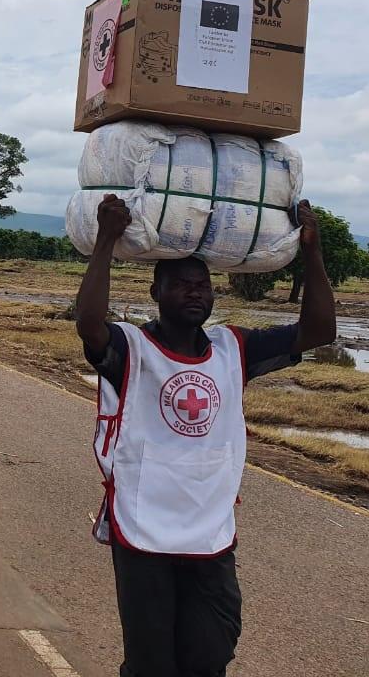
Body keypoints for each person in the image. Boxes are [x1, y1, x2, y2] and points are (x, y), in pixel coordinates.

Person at [74, 195, 336, 677]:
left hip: (210, 531)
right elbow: (89, 323)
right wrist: (106, 239)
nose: (195, 293)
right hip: (143, 528)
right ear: (155, 292)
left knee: (210, 653)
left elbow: (318, 331)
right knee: (152, 665)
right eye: (181, 285)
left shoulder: (233, 347)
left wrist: (313, 251)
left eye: (203, 285)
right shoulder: (131, 347)